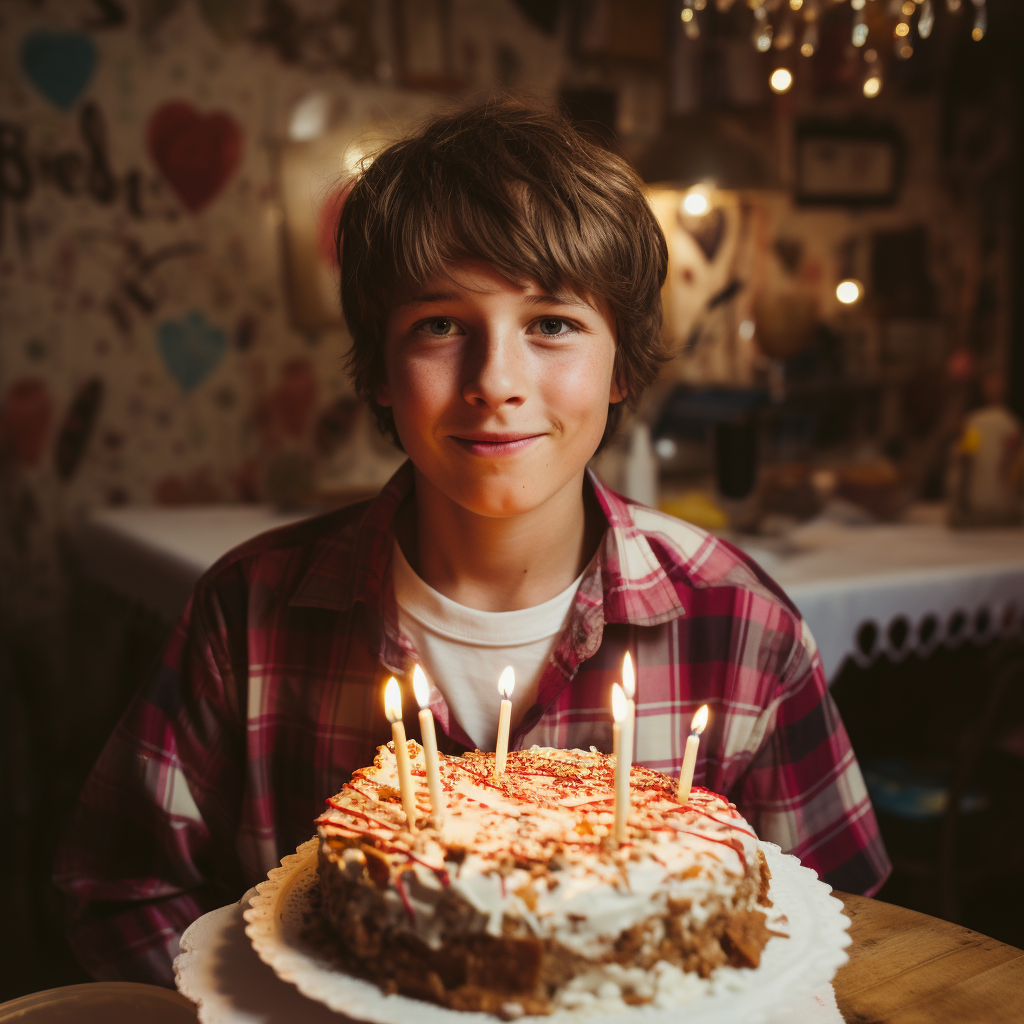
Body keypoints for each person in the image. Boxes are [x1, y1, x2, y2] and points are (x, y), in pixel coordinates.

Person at [54, 99, 890, 985]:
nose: (496, 382)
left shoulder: (742, 627)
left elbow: (844, 924)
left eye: (553, 324)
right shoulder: (246, 614)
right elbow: (117, 886)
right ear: (378, 367)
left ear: (625, 363)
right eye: (441, 325)